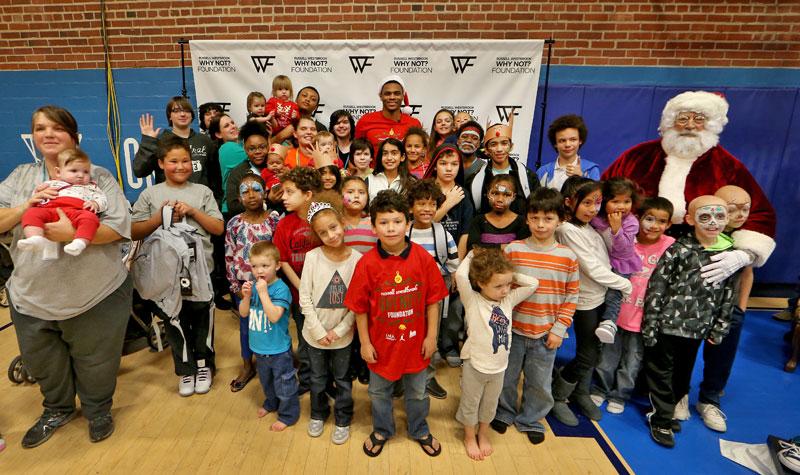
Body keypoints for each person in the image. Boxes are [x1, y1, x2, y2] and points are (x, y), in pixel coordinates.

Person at [0, 105, 131, 447]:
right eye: (41, 128)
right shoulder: (21, 177)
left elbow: (119, 227)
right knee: (44, 363)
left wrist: (70, 234)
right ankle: (56, 409)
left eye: (57, 128)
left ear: (73, 137)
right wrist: (26, 208)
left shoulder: (96, 176)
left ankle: (98, 409)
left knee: (97, 362)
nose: (48, 134)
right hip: (32, 296)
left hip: (94, 294)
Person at [603, 90, 776, 285]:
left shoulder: (728, 165)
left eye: (699, 119)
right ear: (670, 122)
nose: (690, 125)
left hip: (699, 253)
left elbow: (760, 213)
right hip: (640, 247)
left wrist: (745, 254)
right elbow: (603, 194)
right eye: (683, 118)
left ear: (710, 124)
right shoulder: (637, 156)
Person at [344, 190, 449, 458]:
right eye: (384, 222)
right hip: (380, 347)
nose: (391, 228)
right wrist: (365, 343)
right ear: (373, 225)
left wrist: (431, 337)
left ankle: (419, 428)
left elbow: (433, 302)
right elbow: (359, 309)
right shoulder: (367, 264)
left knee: (417, 393)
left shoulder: (423, 259)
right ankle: (382, 430)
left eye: (397, 221)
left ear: (407, 221)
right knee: (379, 393)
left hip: (417, 344)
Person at [642, 195, 739, 448]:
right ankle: (661, 419)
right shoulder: (679, 250)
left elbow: (729, 293)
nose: (713, 222)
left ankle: (669, 409)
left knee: (682, 373)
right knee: (660, 372)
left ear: (727, 219)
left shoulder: (729, 255)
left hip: (697, 329)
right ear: (690, 219)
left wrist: (720, 326)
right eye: (704, 216)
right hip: (667, 325)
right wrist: (651, 323)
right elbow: (657, 286)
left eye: (719, 216)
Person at [131, 138, 224, 397]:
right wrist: (158, 218)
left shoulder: (202, 192)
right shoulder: (150, 195)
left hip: (200, 271)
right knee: (174, 320)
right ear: (161, 164)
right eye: (173, 161)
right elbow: (133, 230)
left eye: (185, 161)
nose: (180, 166)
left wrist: (193, 212)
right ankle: (185, 370)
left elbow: (218, 228)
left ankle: (204, 365)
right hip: (165, 274)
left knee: (202, 317)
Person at [493, 187, 579, 444]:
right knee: (506, 377)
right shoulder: (512, 250)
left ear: (559, 220)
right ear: (527, 218)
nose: (541, 224)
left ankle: (531, 419)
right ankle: (504, 412)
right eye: (535, 218)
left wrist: (558, 329)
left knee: (539, 382)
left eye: (548, 218)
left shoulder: (567, 257)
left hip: (545, 333)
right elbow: (499, 290)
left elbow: (571, 296)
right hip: (512, 330)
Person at [552, 176, 632, 426]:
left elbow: (611, 254)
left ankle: (580, 392)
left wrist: (615, 229)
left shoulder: (590, 227)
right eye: (587, 203)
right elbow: (591, 267)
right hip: (584, 299)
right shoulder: (567, 229)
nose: (593, 209)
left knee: (595, 350)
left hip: (600, 296)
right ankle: (558, 394)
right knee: (587, 354)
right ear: (569, 202)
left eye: (597, 202)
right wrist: (624, 283)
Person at [591, 197, 675, 415]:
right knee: (607, 357)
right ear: (639, 219)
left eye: (661, 221)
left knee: (632, 361)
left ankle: (620, 395)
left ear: (668, 225)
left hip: (642, 318)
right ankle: (600, 388)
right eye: (649, 219)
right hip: (617, 313)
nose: (654, 225)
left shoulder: (669, 246)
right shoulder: (627, 241)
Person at [455, 248, 538, 460]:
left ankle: (483, 434)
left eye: (508, 285)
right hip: (475, 364)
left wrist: (508, 273)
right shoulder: (472, 300)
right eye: (498, 286)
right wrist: (473, 256)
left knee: (490, 404)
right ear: (481, 283)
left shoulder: (508, 300)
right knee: (470, 402)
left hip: (499, 366)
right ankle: (469, 437)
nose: (505, 290)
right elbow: (461, 275)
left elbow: (533, 284)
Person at [301, 194, 362, 444]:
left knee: (342, 380)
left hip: (342, 337)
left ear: (343, 223)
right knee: (316, 378)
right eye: (324, 233)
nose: (332, 235)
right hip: (314, 336)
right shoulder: (313, 257)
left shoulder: (358, 260)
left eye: (334, 228)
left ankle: (343, 417)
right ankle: (318, 413)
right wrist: (318, 331)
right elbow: (305, 297)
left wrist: (339, 331)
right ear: (318, 236)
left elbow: (356, 305)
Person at [695, 185, 754, 433]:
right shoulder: (698, 232)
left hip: (727, 308)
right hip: (693, 306)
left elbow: (748, 273)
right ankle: (674, 396)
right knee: (682, 353)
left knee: (722, 354)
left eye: (745, 208)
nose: (740, 214)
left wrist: (740, 307)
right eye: (733, 209)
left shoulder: (747, 240)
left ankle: (709, 399)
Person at [224, 174, 280, 392]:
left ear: (265, 192)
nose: (251, 195)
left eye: (256, 189)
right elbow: (229, 257)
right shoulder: (234, 224)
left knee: (273, 325)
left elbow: (280, 252)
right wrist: (236, 288)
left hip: (271, 287)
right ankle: (248, 365)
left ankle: (277, 362)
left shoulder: (274, 218)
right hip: (246, 289)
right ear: (239, 197)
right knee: (247, 327)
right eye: (245, 191)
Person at [406, 179, 460, 398]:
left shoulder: (442, 235)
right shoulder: (403, 231)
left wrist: (445, 280)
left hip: (432, 299)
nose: (427, 209)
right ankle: (405, 375)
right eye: (421, 203)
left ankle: (427, 376)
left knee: (431, 336)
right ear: (411, 207)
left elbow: (453, 265)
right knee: (406, 336)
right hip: (406, 296)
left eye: (431, 204)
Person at [238, 241, 298, 431]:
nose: (259, 271)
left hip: (279, 349)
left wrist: (263, 293)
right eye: (254, 266)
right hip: (260, 348)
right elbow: (243, 313)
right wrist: (247, 297)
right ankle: (271, 403)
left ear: (277, 265)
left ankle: (288, 415)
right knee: (266, 381)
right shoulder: (256, 287)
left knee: (284, 384)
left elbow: (273, 316)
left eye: (265, 265)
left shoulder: (281, 289)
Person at [273, 167, 323, 395]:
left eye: (290, 192)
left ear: (308, 194)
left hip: (325, 293)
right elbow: (282, 260)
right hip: (299, 295)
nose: (283, 197)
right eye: (283, 192)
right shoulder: (284, 225)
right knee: (304, 340)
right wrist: (302, 288)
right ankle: (306, 380)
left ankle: (325, 380)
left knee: (325, 338)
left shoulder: (323, 220)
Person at [18, 148, 107, 257]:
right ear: (58, 172)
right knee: (31, 213)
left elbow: (102, 199)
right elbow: (36, 198)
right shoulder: (50, 184)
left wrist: (95, 204)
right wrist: (37, 192)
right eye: (74, 171)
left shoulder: (91, 187)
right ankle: (35, 238)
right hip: (49, 210)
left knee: (90, 218)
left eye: (86, 172)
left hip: (76, 212)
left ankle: (80, 242)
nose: (80, 175)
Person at [133, 96, 221, 197]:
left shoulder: (204, 141)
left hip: (201, 204)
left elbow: (216, 178)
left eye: (187, 111)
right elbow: (139, 171)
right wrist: (148, 142)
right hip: (170, 202)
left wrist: (216, 201)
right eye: (176, 111)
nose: (183, 114)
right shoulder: (161, 141)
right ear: (169, 116)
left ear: (192, 115)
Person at [590, 178, 642, 344]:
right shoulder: (597, 218)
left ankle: (609, 322)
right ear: (604, 202)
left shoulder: (631, 222)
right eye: (615, 201)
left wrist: (617, 228)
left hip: (622, 262)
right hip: (603, 260)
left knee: (614, 292)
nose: (622, 206)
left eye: (627, 201)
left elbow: (623, 249)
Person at [467, 119, 539, 215]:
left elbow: (536, 209)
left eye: (504, 143)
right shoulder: (475, 181)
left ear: (511, 146)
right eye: (493, 144)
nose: (499, 149)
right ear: (487, 149)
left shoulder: (528, 177)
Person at [355, 75, 423, 157]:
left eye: (397, 93)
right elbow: (355, 152)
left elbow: (421, 154)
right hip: (373, 170)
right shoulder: (365, 121)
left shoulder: (414, 124)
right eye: (387, 94)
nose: (392, 97)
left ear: (403, 96)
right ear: (381, 96)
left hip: (404, 170)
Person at [424, 143, 473, 256]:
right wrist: (448, 204)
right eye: (443, 163)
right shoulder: (424, 190)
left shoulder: (463, 193)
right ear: (435, 166)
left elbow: (465, 233)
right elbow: (423, 225)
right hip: (425, 253)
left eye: (454, 164)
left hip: (453, 256)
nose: (449, 169)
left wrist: (457, 262)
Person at [225, 122, 283, 216]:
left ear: (268, 145)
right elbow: (233, 207)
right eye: (252, 149)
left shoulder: (279, 168)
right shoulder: (238, 173)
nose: (258, 152)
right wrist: (267, 201)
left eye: (262, 147)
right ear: (245, 149)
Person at [463, 174, 530, 254]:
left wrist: (486, 248)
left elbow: (521, 250)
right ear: (488, 194)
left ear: (513, 197)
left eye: (506, 195)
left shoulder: (521, 222)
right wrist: (502, 247)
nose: (500, 199)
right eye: (495, 193)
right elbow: (473, 249)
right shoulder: (478, 221)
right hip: (482, 265)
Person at [536, 114, 600, 190]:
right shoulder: (543, 172)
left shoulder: (591, 170)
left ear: (580, 141)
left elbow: (596, 199)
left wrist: (581, 178)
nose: (567, 144)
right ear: (555, 144)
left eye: (573, 139)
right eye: (562, 140)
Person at [208, 114, 247, 216]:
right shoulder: (227, 148)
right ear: (218, 134)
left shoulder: (242, 144)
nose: (233, 126)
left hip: (246, 203)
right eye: (226, 126)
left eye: (232, 123)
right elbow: (257, 158)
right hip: (235, 207)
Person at [342, 176, 378, 255]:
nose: (356, 196)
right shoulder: (336, 223)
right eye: (350, 192)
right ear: (341, 196)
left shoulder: (375, 223)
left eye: (361, 192)